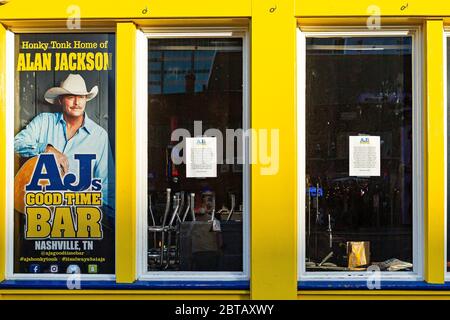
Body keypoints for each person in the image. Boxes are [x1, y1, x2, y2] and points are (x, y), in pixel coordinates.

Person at [14, 73, 115, 211]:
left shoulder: (99, 136)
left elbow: (107, 188)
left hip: (80, 217)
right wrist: (47, 149)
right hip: (41, 216)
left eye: (81, 97)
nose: (76, 102)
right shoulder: (44, 122)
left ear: (86, 99)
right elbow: (15, 144)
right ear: (61, 100)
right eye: (70, 96)